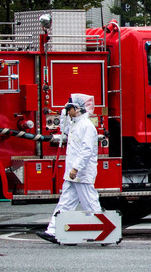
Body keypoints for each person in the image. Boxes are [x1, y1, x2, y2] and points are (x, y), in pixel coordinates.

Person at [37, 94, 101, 244]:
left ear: (77, 109)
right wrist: (63, 114)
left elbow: (86, 151)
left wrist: (76, 168)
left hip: (81, 173)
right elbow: (64, 127)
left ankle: (102, 231)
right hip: (73, 173)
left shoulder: (86, 126)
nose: (68, 111)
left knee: (90, 203)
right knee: (65, 202)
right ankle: (53, 230)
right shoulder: (76, 124)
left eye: (69, 108)